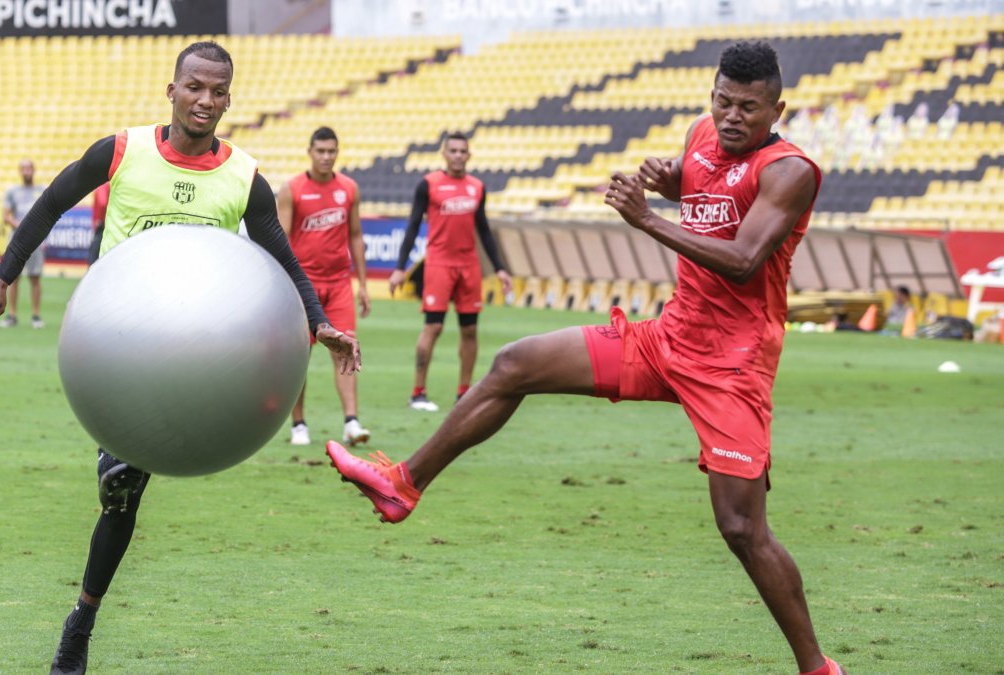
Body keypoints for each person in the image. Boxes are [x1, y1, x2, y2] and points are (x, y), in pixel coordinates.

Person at [326, 41, 844, 675]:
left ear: (777, 109)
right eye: (722, 101)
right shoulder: (702, 134)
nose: (732, 116)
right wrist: (667, 178)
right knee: (515, 362)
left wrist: (646, 218)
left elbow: (742, 259)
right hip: (667, 339)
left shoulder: (791, 170)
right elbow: (703, 186)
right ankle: (403, 485)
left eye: (749, 107)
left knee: (741, 529)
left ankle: (818, 667)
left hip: (732, 365)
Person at [0, 41, 360, 675]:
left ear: (229, 99)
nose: (205, 100)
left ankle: (83, 616)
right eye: (195, 87)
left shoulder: (243, 177)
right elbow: (51, 202)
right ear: (171, 89)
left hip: (197, 349)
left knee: (125, 492)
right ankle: (91, 587)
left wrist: (322, 323)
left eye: (218, 91)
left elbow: (284, 259)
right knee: (126, 483)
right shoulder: (123, 151)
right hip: (117, 340)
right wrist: (2, 276)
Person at [388, 131, 512, 412]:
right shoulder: (428, 185)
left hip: (469, 266)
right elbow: (412, 225)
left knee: (470, 330)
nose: (458, 155)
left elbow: (483, 229)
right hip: (439, 264)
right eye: (453, 150)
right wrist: (399, 268)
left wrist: (500, 269)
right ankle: (418, 392)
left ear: (469, 155)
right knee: (433, 326)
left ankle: (464, 393)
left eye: (462, 151)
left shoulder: (477, 187)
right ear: (444, 154)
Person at [278, 126, 372, 447]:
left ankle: (352, 422)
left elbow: (356, 236)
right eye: (320, 151)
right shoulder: (292, 190)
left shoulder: (349, 188)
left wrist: (363, 284)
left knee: (346, 349)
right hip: (303, 286)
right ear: (310, 151)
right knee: (298, 356)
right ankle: (299, 425)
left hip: (339, 284)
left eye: (331, 151)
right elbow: (281, 240)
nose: (326, 157)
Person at [1, 159, 46, 328]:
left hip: (35, 240)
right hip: (17, 240)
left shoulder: (41, 191)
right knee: (13, 278)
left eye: (29, 168)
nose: (27, 171)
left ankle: (35, 315)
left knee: (35, 277)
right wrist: (21, 227)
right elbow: (6, 216)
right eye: (24, 169)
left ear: (34, 170)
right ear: (20, 171)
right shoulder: (13, 191)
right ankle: (12, 315)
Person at [87, 182, 108, 265]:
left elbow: (102, 203)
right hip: (107, 226)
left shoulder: (102, 185)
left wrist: (100, 219)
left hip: (101, 227)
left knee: (93, 259)